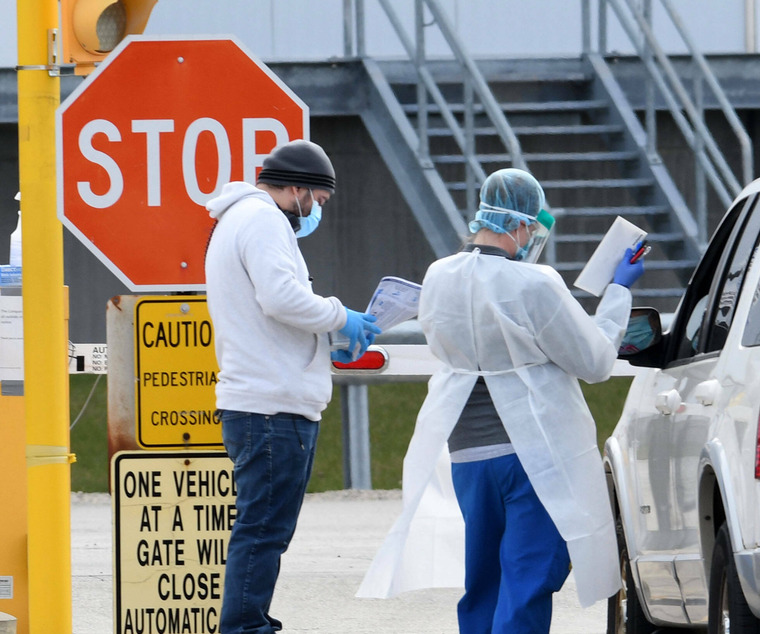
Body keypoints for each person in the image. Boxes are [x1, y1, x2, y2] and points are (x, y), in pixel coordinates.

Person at [357, 167, 645, 633]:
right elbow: (593, 363)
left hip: (467, 452)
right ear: (521, 224)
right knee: (528, 579)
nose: (533, 235)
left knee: (484, 583)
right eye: (532, 226)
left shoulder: (439, 275)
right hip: (534, 455)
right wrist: (618, 291)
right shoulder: (536, 283)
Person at [204, 139, 380, 634]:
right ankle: (245, 627)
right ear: (299, 189)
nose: (316, 212)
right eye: (318, 202)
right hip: (269, 407)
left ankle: (250, 621)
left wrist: (329, 338)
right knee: (263, 532)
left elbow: (273, 314)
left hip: (265, 400)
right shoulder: (263, 220)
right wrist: (342, 315)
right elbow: (282, 298)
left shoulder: (238, 220)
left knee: (264, 530)